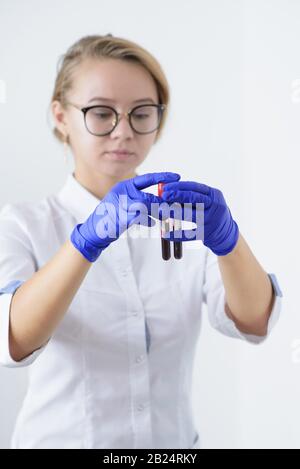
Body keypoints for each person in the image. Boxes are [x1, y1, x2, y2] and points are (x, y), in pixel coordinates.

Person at [0, 34, 282, 449]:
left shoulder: (185, 220)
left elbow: (255, 320)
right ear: (61, 117)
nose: (124, 131)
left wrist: (228, 240)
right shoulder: (24, 224)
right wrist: (84, 243)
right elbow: (13, 340)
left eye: (141, 113)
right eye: (101, 113)